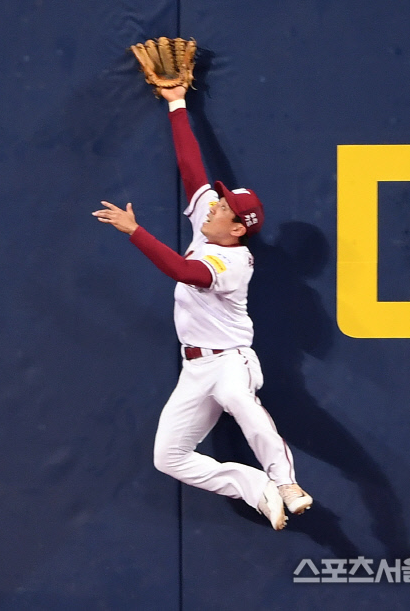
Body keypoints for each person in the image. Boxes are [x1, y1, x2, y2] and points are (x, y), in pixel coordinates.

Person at [92, 84, 313, 529]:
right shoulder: (213, 225)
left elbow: (185, 272)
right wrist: (177, 103)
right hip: (195, 368)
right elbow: (192, 169)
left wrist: (136, 232)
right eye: (218, 203)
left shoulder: (234, 261)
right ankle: (258, 489)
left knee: (235, 395)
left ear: (236, 228)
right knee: (167, 457)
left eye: (224, 207)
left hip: (232, 361)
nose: (213, 206)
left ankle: (286, 481)